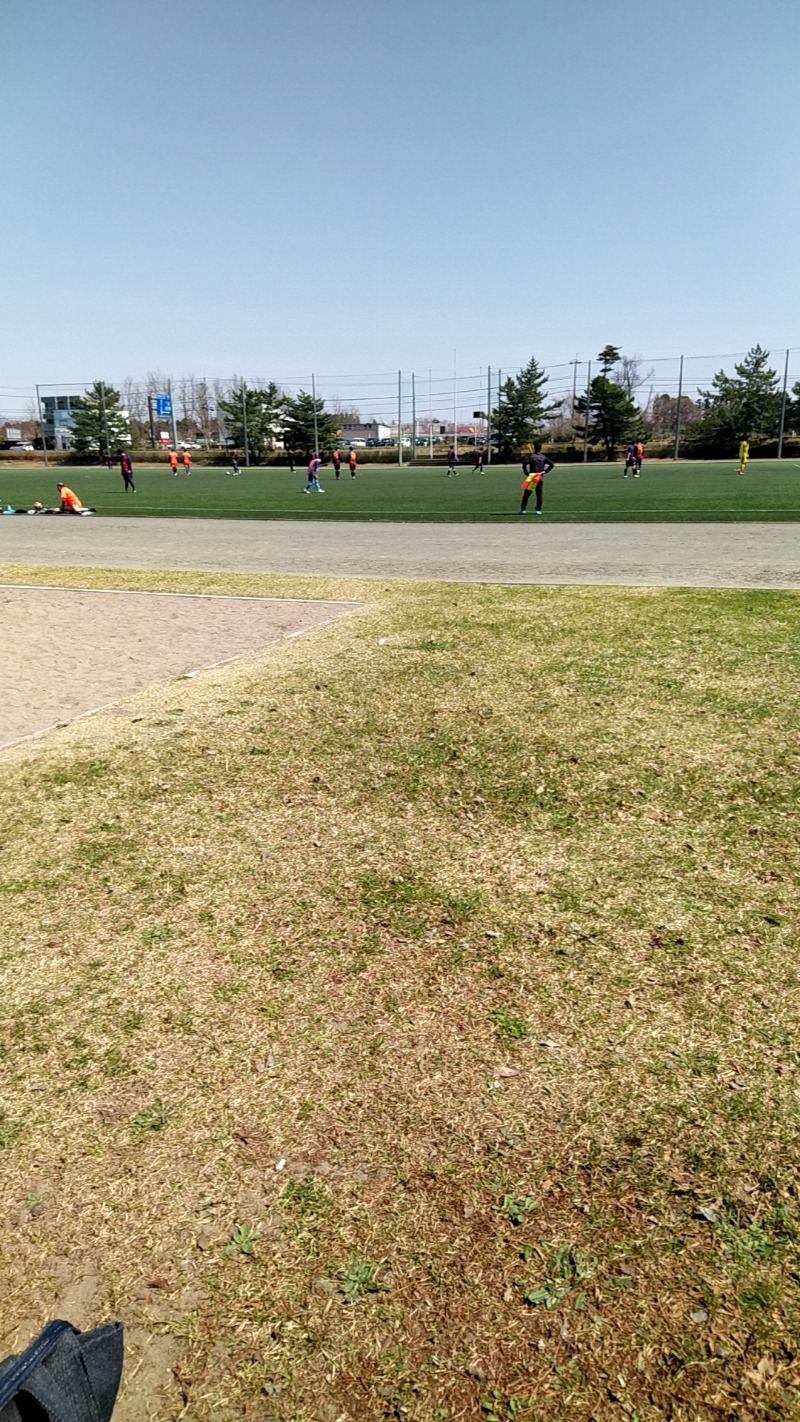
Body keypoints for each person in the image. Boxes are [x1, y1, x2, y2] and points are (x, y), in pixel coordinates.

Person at [518, 443, 554, 516]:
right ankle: (538, 510)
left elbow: (524, 465)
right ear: (540, 448)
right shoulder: (543, 457)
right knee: (539, 494)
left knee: (526, 495)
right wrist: (545, 471)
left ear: (534, 448)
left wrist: (526, 473)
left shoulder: (531, 456)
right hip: (540, 477)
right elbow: (552, 465)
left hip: (532, 477)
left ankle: (523, 509)